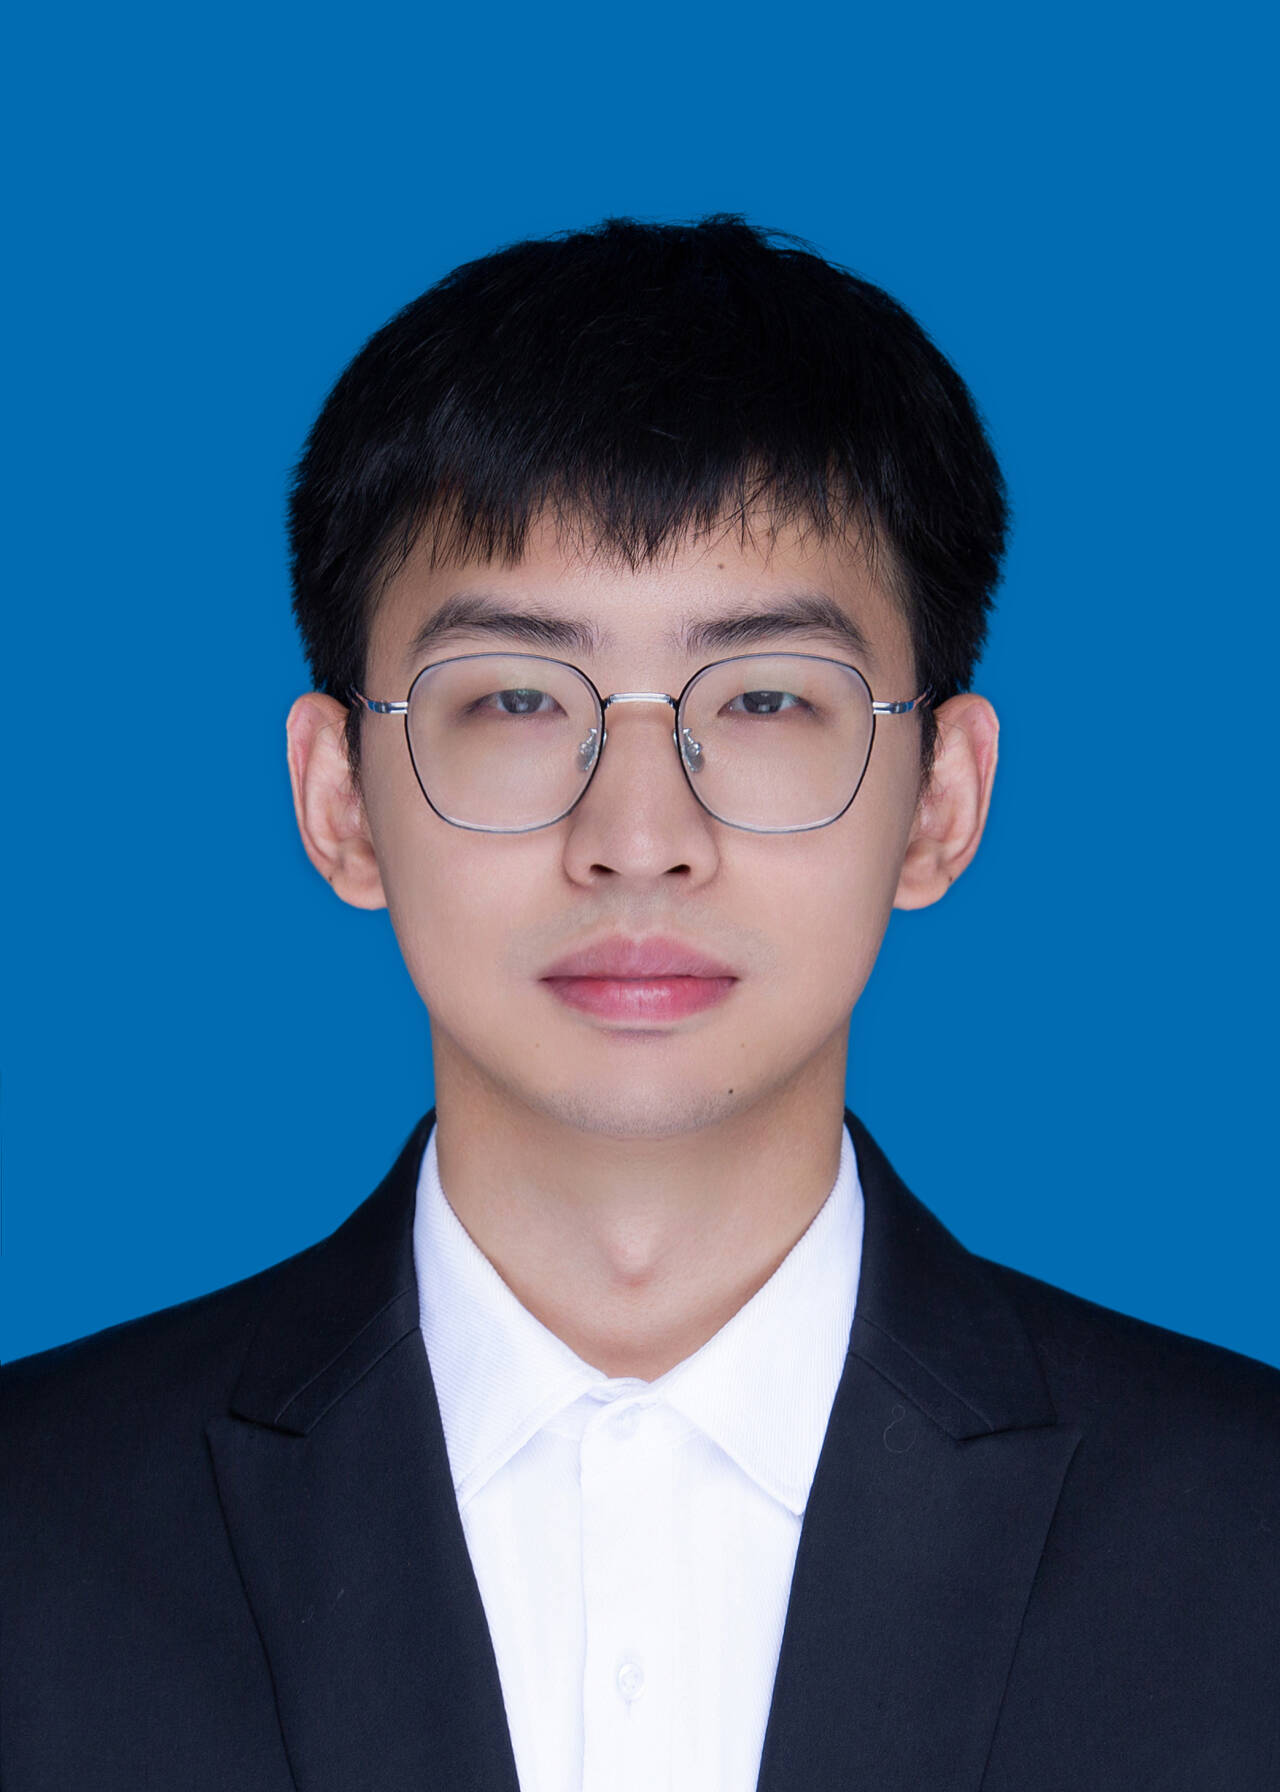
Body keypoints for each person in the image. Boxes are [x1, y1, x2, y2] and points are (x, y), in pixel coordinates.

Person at [1, 214, 1276, 1792]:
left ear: (941, 801)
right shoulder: (35, 1531)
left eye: (766, 699)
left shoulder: (1247, 1540)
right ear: (339, 800)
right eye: (517, 699)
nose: (639, 837)